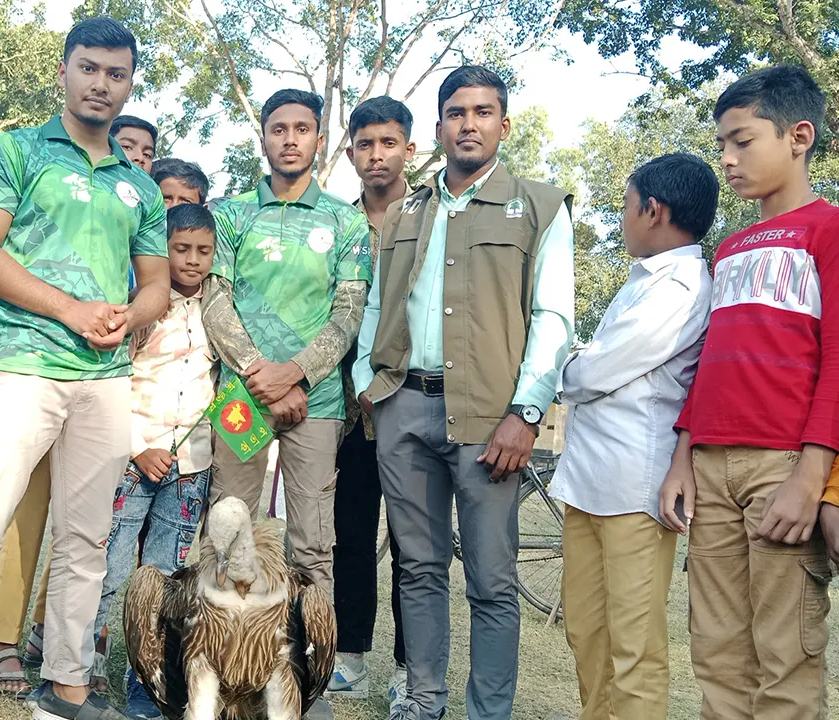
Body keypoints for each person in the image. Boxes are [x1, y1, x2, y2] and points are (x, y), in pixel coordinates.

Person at [0, 17, 169, 720]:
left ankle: (66, 686)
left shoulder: (138, 185)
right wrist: (68, 308)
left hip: (104, 378)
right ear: (64, 71)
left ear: (129, 83)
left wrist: (132, 311)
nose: (101, 84)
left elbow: (155, 281)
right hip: (24, 369)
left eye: (116, 73)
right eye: (89, 68)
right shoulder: (16, 151)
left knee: (87, 537)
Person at [355, 66, 574, 720]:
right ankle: (422, 702)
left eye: (483, 112)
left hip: (491, 421)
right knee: (417, 570)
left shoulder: (539, 206)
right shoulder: (406, 212)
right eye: (456, 112)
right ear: (440, 126)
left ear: (504, 124)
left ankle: (488, 712)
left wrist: (527, 411)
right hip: (403, 409)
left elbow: (554, 319)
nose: (469, 123)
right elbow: (375, 303)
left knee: (491, 580)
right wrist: (369, 381)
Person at [658, 65, 839, 720]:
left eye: (742, 140)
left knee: (784, 658)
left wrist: (811, 478)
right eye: (722, 146)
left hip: (783, 468)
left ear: (798, 136)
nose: (728, 160)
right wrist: (684, 456)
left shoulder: (830, 230)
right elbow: (706, 362)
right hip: (710, 469)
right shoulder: (727, 248)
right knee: (717, 653)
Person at [203, 87, 371, 718]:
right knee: (230, 530)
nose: (291, 138)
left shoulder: (345, 222)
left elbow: (349, 310)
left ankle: (308, 675)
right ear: (265, 138)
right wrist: (257, 372)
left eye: (303, 128)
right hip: (241, 398)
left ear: (319, 140)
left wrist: (297, 373)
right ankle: (225, 667)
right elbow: (214, 300)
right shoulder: (229, 215)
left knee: (311, 544)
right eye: (279, 128)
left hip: (318, 401)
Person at [551, 153, 718, 720]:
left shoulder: (682, 287)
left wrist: (565, 373)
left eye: (625, 205)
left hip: (635, 488)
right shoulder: (643, 280)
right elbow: (596, 366)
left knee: (634, 646)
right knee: (587, 631)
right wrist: (580, 368)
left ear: (654, 210)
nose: (621, 218)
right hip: (588, 480)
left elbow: (592, 371)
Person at [93, 202, 217, 720]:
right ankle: (85, 670)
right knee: (111, 569)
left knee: (165, 579)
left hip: (191, 465)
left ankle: (148, 680)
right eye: (180, 249)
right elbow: (112, 377)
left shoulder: (220, 308)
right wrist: (137, 444)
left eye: (202, 251)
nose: (191, 260)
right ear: (160, 251)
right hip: (133, 456)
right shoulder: (140, 305)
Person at [328, 96, 412, 710]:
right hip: (351, 408)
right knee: (350, 536)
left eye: (388, 143)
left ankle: (412, 664)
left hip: (414, 405)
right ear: (351, 150)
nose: (376, 155)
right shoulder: (337, 223)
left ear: (410, 148)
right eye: (365, 144)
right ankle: (350, 653)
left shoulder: (434, 218)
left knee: (416, 545)